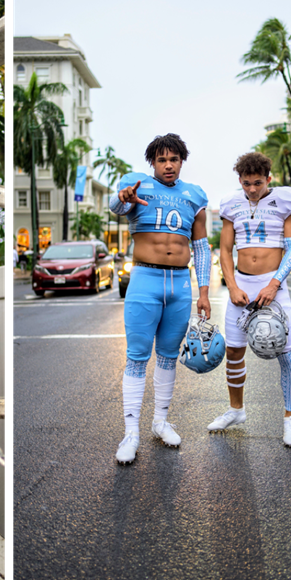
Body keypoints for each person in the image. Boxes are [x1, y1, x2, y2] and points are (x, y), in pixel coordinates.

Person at [107, 134, 211, 464]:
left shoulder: (195, 195)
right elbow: (117, 207)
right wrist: (122, 198)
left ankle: (160, 422)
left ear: (182, 161)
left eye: (175, 159)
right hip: (144, 279)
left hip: (180, 284)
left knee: (167, 356)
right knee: (137, 355)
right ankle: (131, 432)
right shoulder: (135, 185)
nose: (169, 165)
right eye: (162, 159)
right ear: (152, 161)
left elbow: (201, 247)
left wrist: (204, 291)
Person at [210, 152, 291, 446]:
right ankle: (236, 410)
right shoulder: (231, 203)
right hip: (242, 284)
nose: (252, 189)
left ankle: (290, 419)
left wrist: (275, 283)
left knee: (285, 353)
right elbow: (225, 250)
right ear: (240, 181)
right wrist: (232, 285)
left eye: (258, 183)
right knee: (234, 351)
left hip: (272, 285)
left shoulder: (286, 199)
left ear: (269, 179)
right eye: (247, 183)